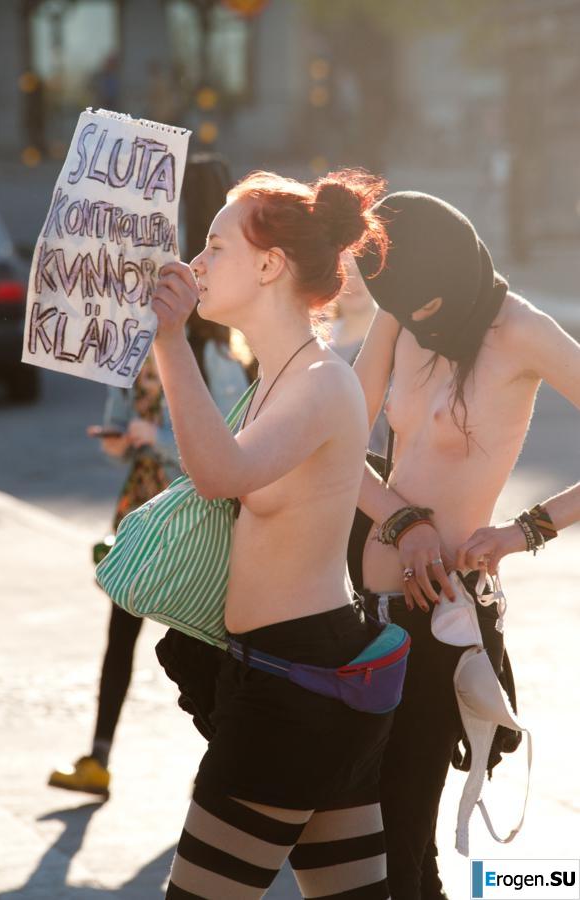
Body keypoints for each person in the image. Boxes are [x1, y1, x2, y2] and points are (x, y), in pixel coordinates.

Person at [151, 169, 394, 899]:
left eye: (214, 246)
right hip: (306, 677)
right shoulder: (280, 377)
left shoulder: (318, 380)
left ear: (268, 265)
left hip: (295, 684)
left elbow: (223, 474)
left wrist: (169, 342)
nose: (196, 263)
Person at [348, 190, 580, 900]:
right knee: (383, 830)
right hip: (366, 606)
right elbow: (335, 444)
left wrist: (526, 530)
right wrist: (400, 521)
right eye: (403, 306)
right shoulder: (397, 313)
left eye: (426, 307)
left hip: (441, 616)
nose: (418, 321)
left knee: (399, 826)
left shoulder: (523, 332)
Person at [47, 156, 248, 797]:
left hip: (196, 514)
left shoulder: (215, 347)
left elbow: (222, 446)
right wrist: (123, 439)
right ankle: (99, 757)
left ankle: (239, 767)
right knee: (126, 632)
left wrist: (148, 436)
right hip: (143, 511)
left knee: (213, 644)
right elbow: (120, 438)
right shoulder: (149, 333)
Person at [330, 251, 388, 453]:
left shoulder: (394, 337)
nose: (353, 282)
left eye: (361, 272)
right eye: (345, 273)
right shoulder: (318, 340)